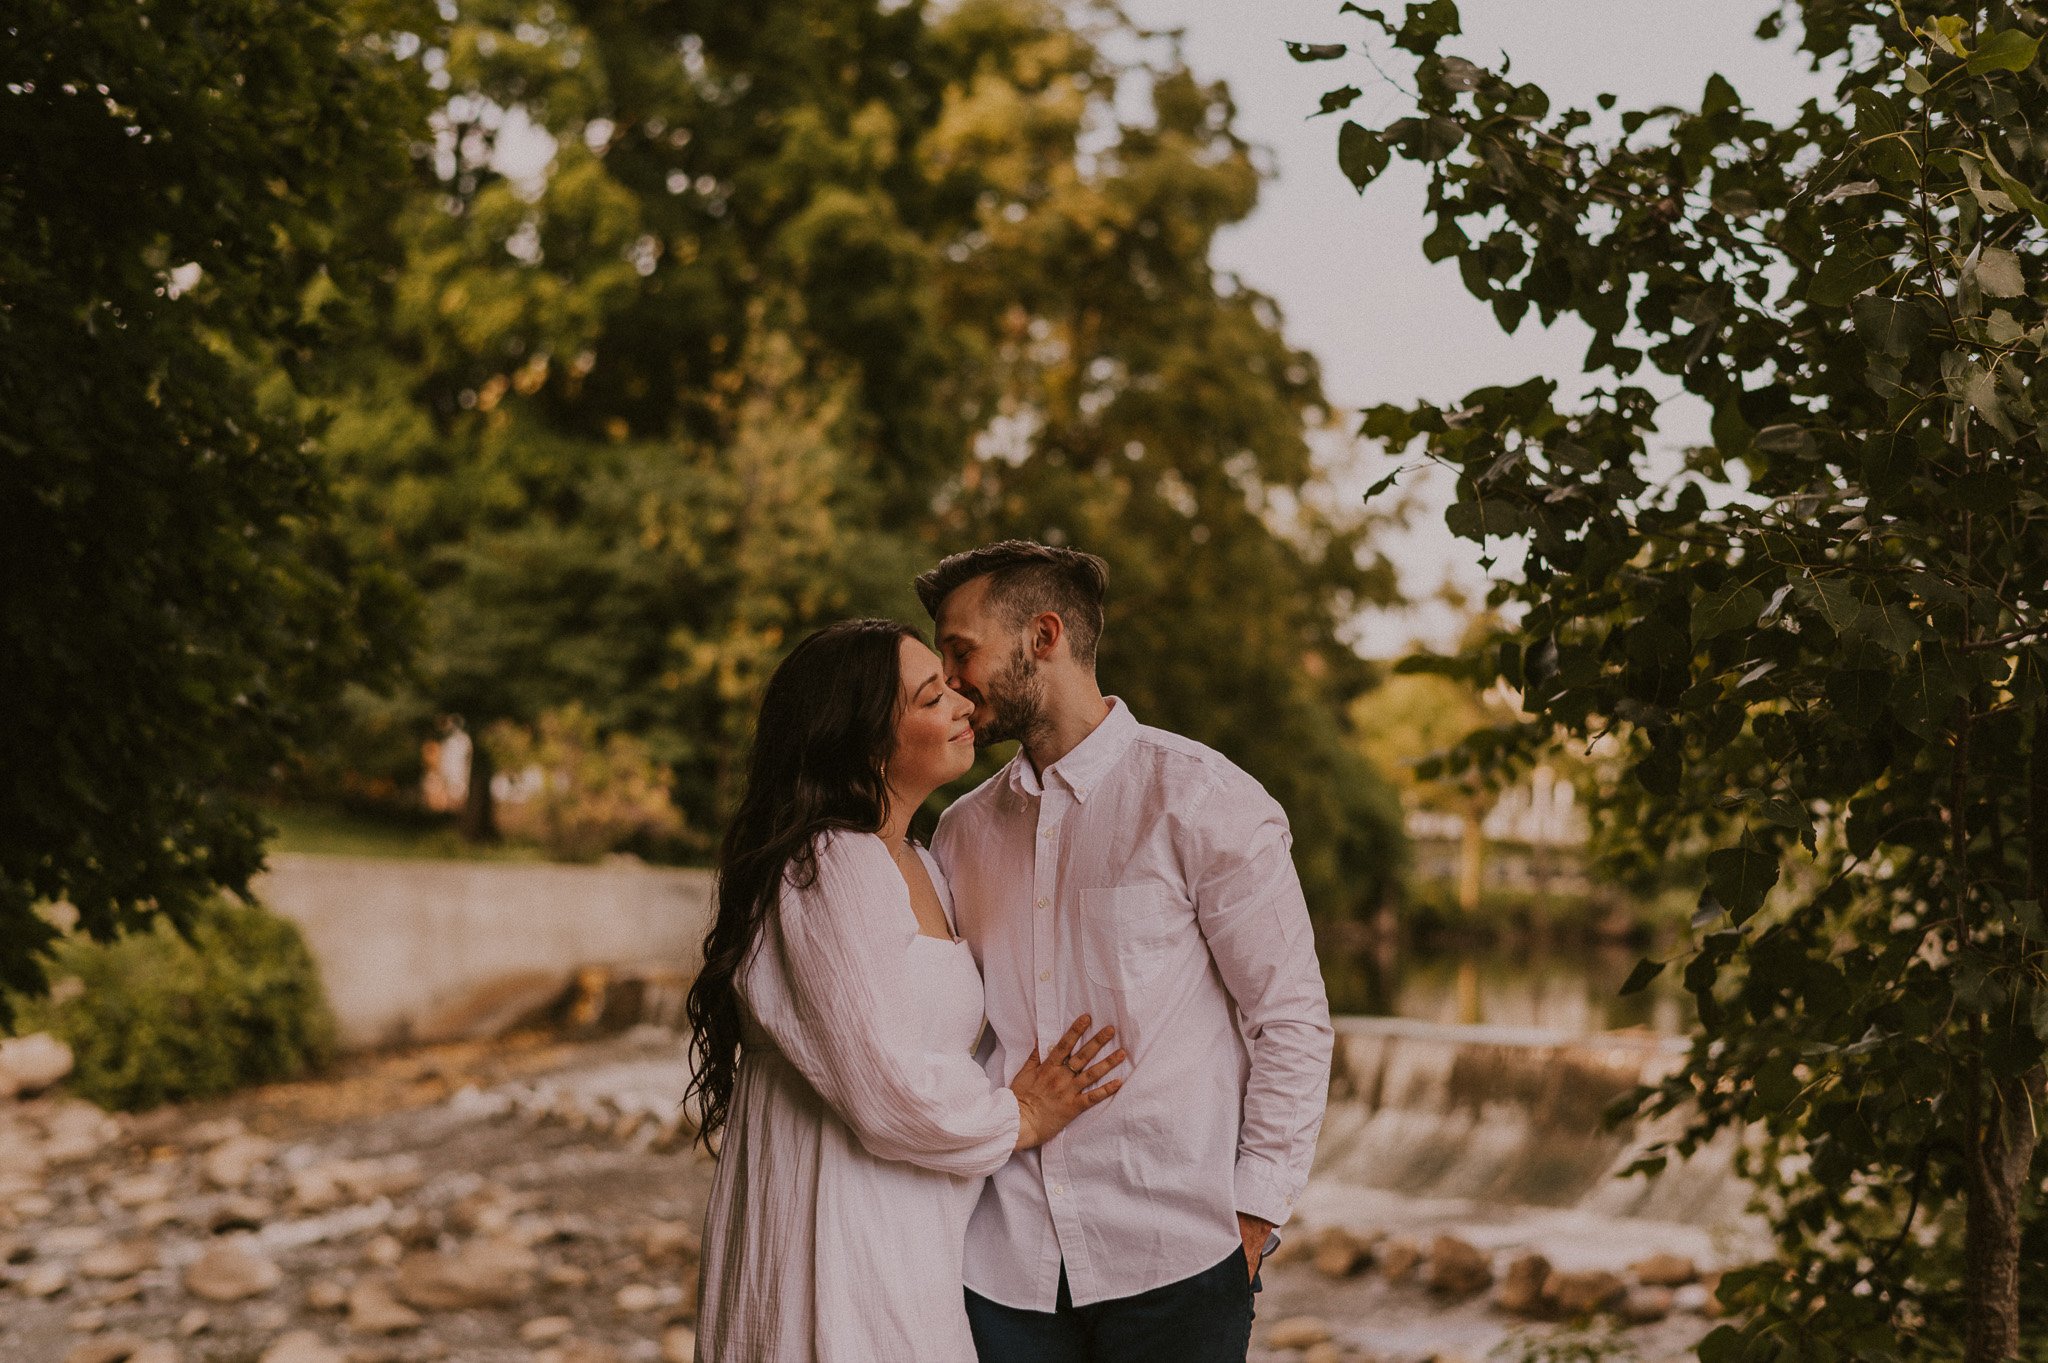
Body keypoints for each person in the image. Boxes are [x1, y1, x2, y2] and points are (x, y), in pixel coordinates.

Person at [916, 542, 1334, 1363]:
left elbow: (1289, 1017)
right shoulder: (962, 831)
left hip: (1176, 1259)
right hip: (1003, 1262)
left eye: (961, 649)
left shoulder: (1205, 800)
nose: (949, 677)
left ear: (1043, 635)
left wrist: (1255, 1213)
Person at [686, 618, 1127, 1363]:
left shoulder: (920, 858)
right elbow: (882, 1084)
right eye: (932, 696)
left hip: (903, 1225)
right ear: (864, 741)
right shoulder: (829, 863)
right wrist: (1019, 1115)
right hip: (839, 1229)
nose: (962, 702)